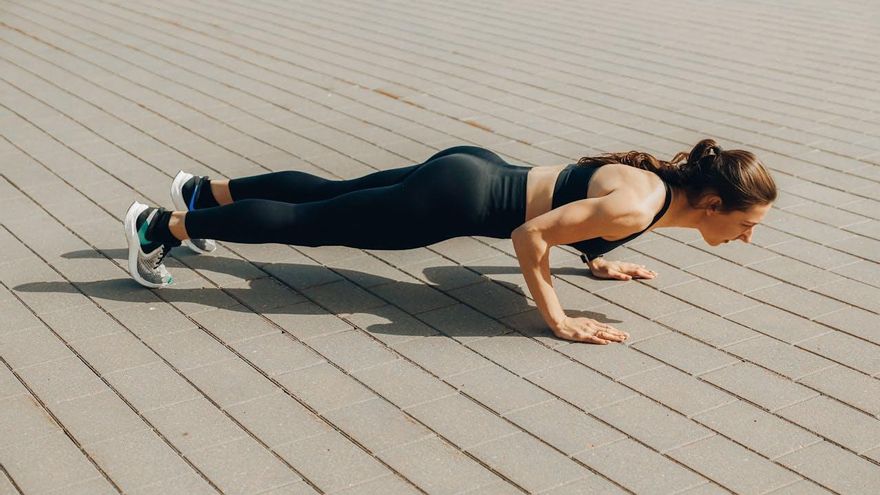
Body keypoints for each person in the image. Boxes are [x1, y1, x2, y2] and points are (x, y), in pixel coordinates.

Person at [124, 139, 776, 344]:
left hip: (470, 167)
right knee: (310, 223)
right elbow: (529, 234)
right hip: (448, 203)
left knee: (329, 192)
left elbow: (577, 207)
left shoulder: (655, 189)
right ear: (713, 204)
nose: (747, 238)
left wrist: (598, 260)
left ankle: (203, 191)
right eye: (747, 224)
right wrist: (558, 318)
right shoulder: (638, 204)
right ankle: (162, 226)